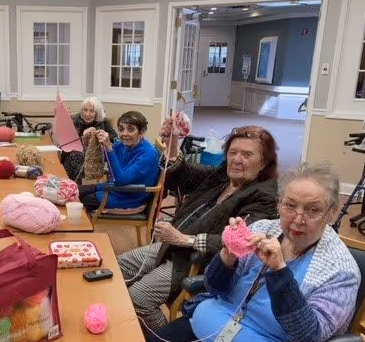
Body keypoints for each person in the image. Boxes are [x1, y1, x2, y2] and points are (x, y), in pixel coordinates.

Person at [146, 161, 360, 342]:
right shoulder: (264, 228)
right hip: (222, 326)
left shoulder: (340, 271)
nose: (298, 219)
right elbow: (215, 286)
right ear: (279, 204)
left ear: (332, 213)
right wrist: (227, 256)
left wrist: (280, 272)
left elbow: (308, 335)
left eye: (313, 210)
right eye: (290, 205)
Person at [119, 125, 279, 329]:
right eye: (232, 152)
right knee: (118, 266)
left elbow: (240, 241)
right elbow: (186, 176)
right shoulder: (224, 175)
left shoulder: (264, 195)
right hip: (171, 247)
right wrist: (173, 145)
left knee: (138, 299)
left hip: (196, 261)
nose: (237, 159)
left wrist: (183, 239)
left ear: (264, 162)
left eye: (247, 154)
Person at [77, 111, 159, 211]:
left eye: (130, 129)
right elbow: (99, 158)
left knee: (77, 200)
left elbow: (120, 180)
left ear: (142, 131)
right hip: (113, 189)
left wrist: (108, 147)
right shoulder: (122, 145)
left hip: (128, 197)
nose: (124, 134)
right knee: (75, 190)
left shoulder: (148, 154)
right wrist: (90, 139)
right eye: (121, 129)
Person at [61, 96, 117, 181]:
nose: (87, 114)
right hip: (75, 154)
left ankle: (77, 185)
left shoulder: (103, 121)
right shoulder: (75, 119)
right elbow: (67, 141)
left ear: (97, 112)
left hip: (95, 156)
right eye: (85, 110)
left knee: (77, 157)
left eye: (91, 111)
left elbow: (114, 138)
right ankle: (73, 183)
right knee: (75, 155)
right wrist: (83, 136)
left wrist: (99, 134)